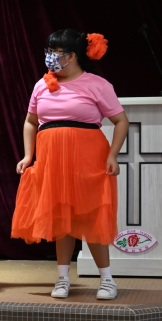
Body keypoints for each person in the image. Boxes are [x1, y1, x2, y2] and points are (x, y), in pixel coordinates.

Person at [12, 30, 128, 300]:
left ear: (72, 56)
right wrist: (28, 155)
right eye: (49, 50)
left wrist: (113, 155)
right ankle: (62, 278)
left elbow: (121, 121)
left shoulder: (97, 84)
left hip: (88, 159)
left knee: (92, 218)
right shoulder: (41, 85)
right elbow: (30, 122)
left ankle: (107, 280)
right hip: (52, 160)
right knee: (61, 218)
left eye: (56, 51)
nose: (50, 56)